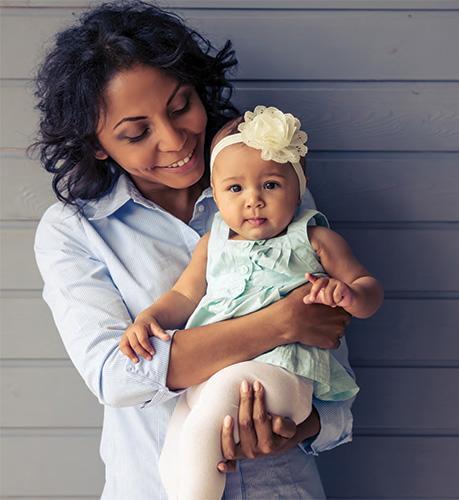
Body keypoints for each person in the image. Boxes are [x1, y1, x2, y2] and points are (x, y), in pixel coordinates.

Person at [32, 2, 359, 499]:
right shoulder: (76, 231)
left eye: (181, 105)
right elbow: (119, 375)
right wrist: (278, 323)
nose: (174, 139)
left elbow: (330, 348)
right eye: (136, 133)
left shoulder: (268, 190)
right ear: (98, 144)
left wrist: (303, 427)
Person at [119, 105, 383, 500]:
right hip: (209, 377)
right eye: (235, 188)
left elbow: (367, 287)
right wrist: (149, 317)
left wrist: (349, 295)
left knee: (203, 431)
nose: (253, 201)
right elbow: (185, 295)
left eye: (271, 185)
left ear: (299, 185)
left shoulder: (312, 239)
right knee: (176, 443)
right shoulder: (214, 243)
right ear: (216, 192)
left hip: (281, 373)